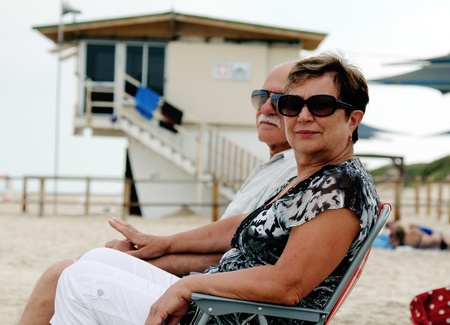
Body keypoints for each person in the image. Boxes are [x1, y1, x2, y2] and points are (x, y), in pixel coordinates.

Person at [49, 52, 380, 325]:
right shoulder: (312, 177)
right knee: (97, 260)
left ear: (352, 120)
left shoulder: (339, 189)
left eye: (321, 105)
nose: (303, 116)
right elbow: (242, 225)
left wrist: (190, 285)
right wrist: (162, 244)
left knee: (79, 282)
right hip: (215, 302)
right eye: (292, 105)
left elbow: (288, 285)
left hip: (228, 315)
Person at [18, 61, 297, 325]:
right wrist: (153, 248)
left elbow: (236, 254)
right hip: (212, 291)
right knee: (89, 262)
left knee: (70, 276)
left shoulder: (296, 174)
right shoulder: (273, 168)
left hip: (217, 303)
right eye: (262, 97)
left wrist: (148, 256)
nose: (267, 108)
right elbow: (230, 242)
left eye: (282, 101)